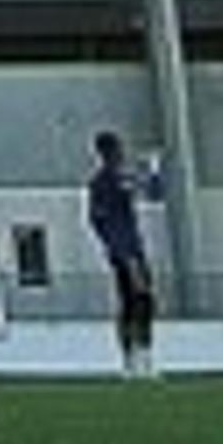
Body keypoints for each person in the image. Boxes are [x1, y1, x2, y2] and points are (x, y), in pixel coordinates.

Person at [87, 130, 161, 376]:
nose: (120, 153)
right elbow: (97, 218)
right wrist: (113, 245)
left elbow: (150, 192)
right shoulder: (103, 181)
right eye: (117, 149)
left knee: (141, 301)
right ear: (107, 152)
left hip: (133, 247)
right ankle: (135, 359)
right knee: (136, 299)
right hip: (125, 250)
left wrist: (151, 173)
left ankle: (140, 357)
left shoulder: (116, 178)